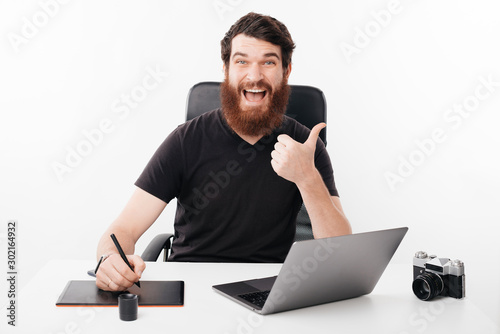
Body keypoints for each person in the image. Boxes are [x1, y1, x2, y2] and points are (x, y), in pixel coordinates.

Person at [95, 12, 351, 291]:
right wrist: (109, 260)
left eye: (268, 62)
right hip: (192, 286)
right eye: (242, 61)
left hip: (269, 288)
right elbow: (123, 230)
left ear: (286, 71)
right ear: (226, 70)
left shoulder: (305, 145)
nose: (255, 76)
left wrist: (307, 177)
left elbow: (339, 253)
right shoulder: (185, 141)